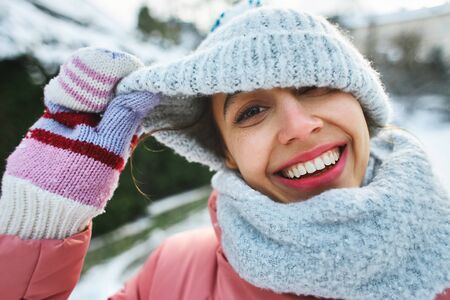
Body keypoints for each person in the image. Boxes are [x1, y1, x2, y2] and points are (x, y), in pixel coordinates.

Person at [1, 1, 450, 299]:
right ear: (226, 153)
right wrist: (39, 222)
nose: (298, 126)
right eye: (252, 111)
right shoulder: (170, 278)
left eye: (316, 86)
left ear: (361, 102)